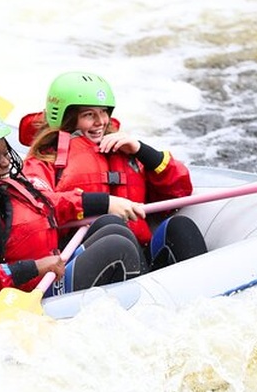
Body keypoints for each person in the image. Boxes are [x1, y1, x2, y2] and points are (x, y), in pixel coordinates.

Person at [0, 111, 145, 312]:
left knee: (112, 225)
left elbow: (48, 204)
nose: (5, 163)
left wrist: (106, 201)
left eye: (4, 154)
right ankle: (143, 314)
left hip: (46, 275)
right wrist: (33, 268)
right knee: (118, 247)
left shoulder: (0, 186)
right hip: (29, 294)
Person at [22, 71, 207, 270]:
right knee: (114, 229)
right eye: (89, 115)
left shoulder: (124, 152)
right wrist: (105, 203)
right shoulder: (43, 160)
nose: (100, 121)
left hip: (138, 253)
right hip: (79, 256)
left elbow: (179, 190)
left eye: (103, 112)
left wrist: (142, 150)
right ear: (66, 118)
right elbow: (37, 207)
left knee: (180, 227)